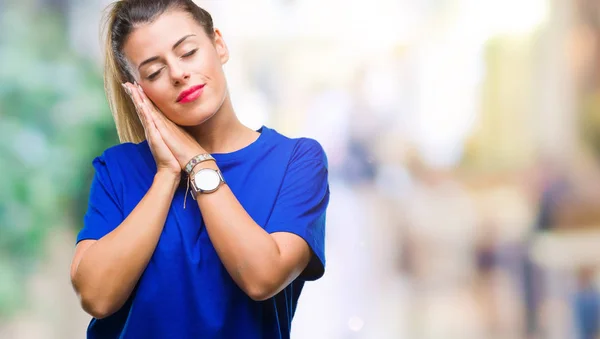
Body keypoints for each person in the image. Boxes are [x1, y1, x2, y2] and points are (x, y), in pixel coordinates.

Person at [68, 1, 330, 338]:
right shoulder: (117, 169)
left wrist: (198, 161)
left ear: (218, 44)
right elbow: (97, 297)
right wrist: (166, 174)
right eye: (154, 72)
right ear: (139, 91)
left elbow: (262, 277)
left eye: (188, 52)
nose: (178, 74)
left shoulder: (296, 160)